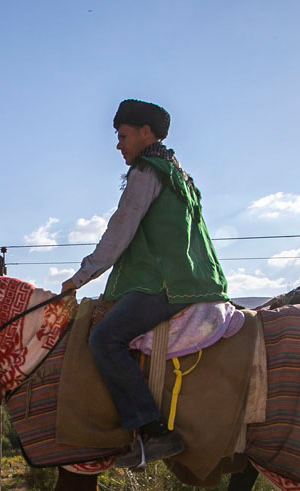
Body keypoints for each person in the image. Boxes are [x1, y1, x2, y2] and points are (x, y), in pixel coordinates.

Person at [61, 99, 229, 469]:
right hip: (197, 281)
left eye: (122, 136)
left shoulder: (147, 172)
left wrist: (80, 277)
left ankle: (152, 431)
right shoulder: (178, 174)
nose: (118, 145)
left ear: (145, 133)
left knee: (104, 339)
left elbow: (120, 229)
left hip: (165, 285)